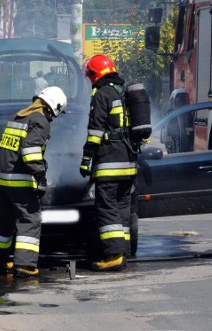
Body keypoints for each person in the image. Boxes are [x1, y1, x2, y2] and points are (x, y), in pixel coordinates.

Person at [0, 86, 67, 279]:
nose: (53, 119)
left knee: (4, 220)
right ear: (52, 107)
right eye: (56, 114)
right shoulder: (39, 120)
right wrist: (40, 176)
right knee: (29, 219)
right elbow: (30, 151)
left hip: (2, 178)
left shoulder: (19, 116)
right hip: (19, 180)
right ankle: (25, 265)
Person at [80, 54, 136, 272]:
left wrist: (86, 158)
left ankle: (113, 255)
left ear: (95, 74)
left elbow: (95, 132)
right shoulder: (123, 93)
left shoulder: (102, 93)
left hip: (109, 161)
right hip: (129, 162)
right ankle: (123, 251)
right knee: (122, 206)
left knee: (106, 206)